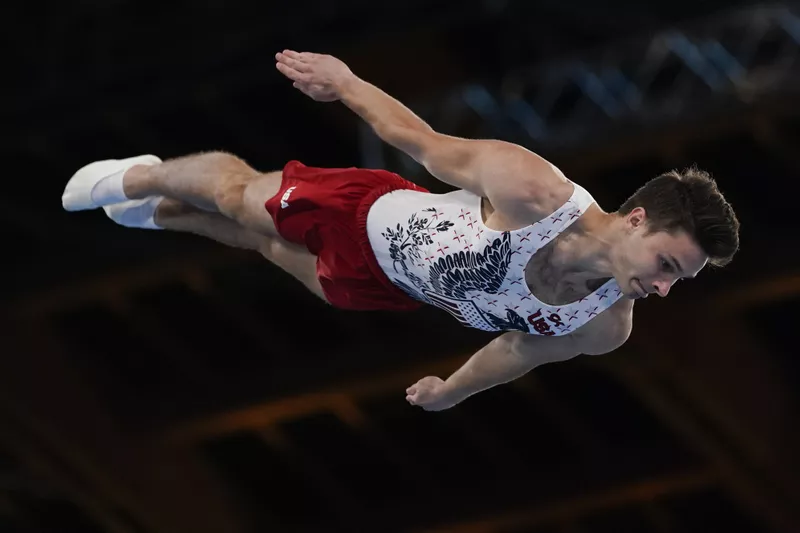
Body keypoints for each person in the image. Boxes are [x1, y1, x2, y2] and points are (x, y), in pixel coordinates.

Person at [61, 50, 740, 412]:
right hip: (366, 210)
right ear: (637, 218)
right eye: (667, 265)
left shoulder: (604, 323)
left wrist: (453, 388)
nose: (662, 287)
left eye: (674, 279)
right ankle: (145, 179)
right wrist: (347, 82)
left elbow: (521, 351)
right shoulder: (535, 191)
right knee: (241, 200)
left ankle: (159, 210)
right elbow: (418, 139)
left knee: (257, 243)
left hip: (386, 283)